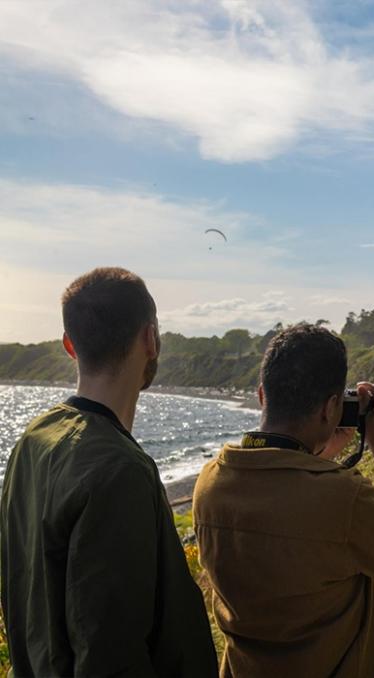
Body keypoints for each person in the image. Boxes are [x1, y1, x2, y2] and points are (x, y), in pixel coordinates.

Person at [0, 267, 218, 677]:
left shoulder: (33, 440)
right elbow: (110, 656)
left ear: (69, 345)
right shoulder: (120, 471)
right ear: (150, 339)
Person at [193, 324, 374, 677]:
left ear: (262, 395)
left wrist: (317, 456)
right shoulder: (343, 497)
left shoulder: (211, 481)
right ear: (331, 408)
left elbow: (283, 503)